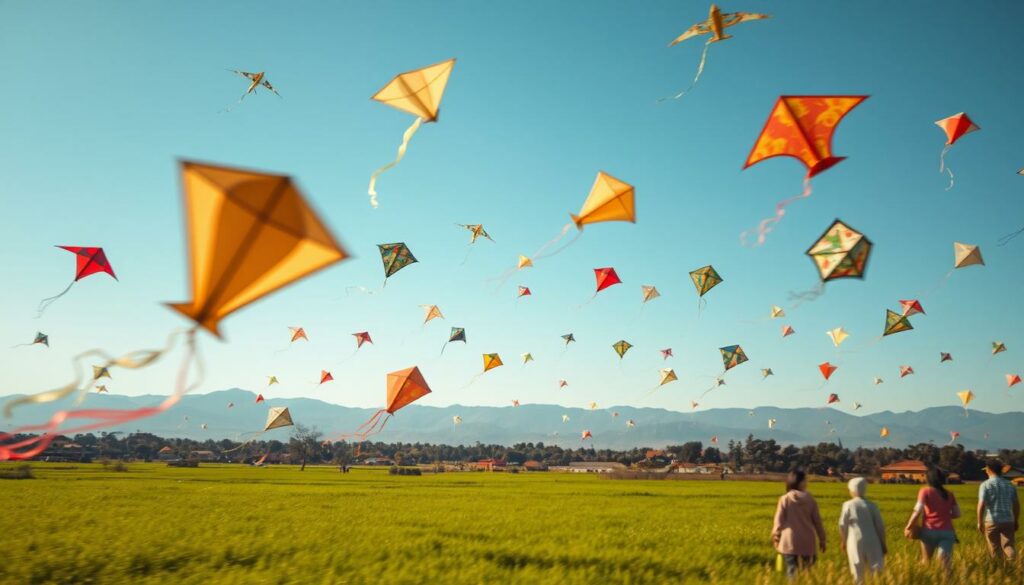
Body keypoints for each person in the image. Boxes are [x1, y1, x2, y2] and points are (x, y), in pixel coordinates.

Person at [904, 467, 960, 575]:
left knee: (926, 562)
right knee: (945, 564)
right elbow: (957, 514)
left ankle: (925, 581)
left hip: (929, 532)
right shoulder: (949, 494)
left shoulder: (925, 491)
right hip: (947, 533)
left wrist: (909, 526)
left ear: (929, 479)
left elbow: (917, 510)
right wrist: (944, 515)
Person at [772, 468, 826, 577]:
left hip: (789, 542)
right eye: (805, 480)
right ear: (800, 482)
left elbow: (778, 521)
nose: (807, 482)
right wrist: (822, 539)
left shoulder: (785, 499)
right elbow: (817, 522)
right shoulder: (810, 500)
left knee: (792, 572)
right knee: (808, 574)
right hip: (808, 542)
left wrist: (776, 537)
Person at [839, 477, 886, 584]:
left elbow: (842, 524)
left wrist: (843, 540)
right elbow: (880, 526)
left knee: (857, 570)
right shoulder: (872, 505)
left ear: (851, 491)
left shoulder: (848, 505)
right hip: (873, 540)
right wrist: (883, 544)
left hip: (854, 541)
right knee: (875, 569)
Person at [977, 459, 1019, 562]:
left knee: (995, 547)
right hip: (1008, 520)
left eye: (986, 469)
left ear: (989, 470)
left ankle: (1000, 569)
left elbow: (981, 505)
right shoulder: (1010, 485)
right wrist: (1015, 520)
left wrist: (979, 522)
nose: (986, 471)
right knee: (1008, 545)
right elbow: (1016, 505)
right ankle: (1013, 562)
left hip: (992, 521)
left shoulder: (985, 485)